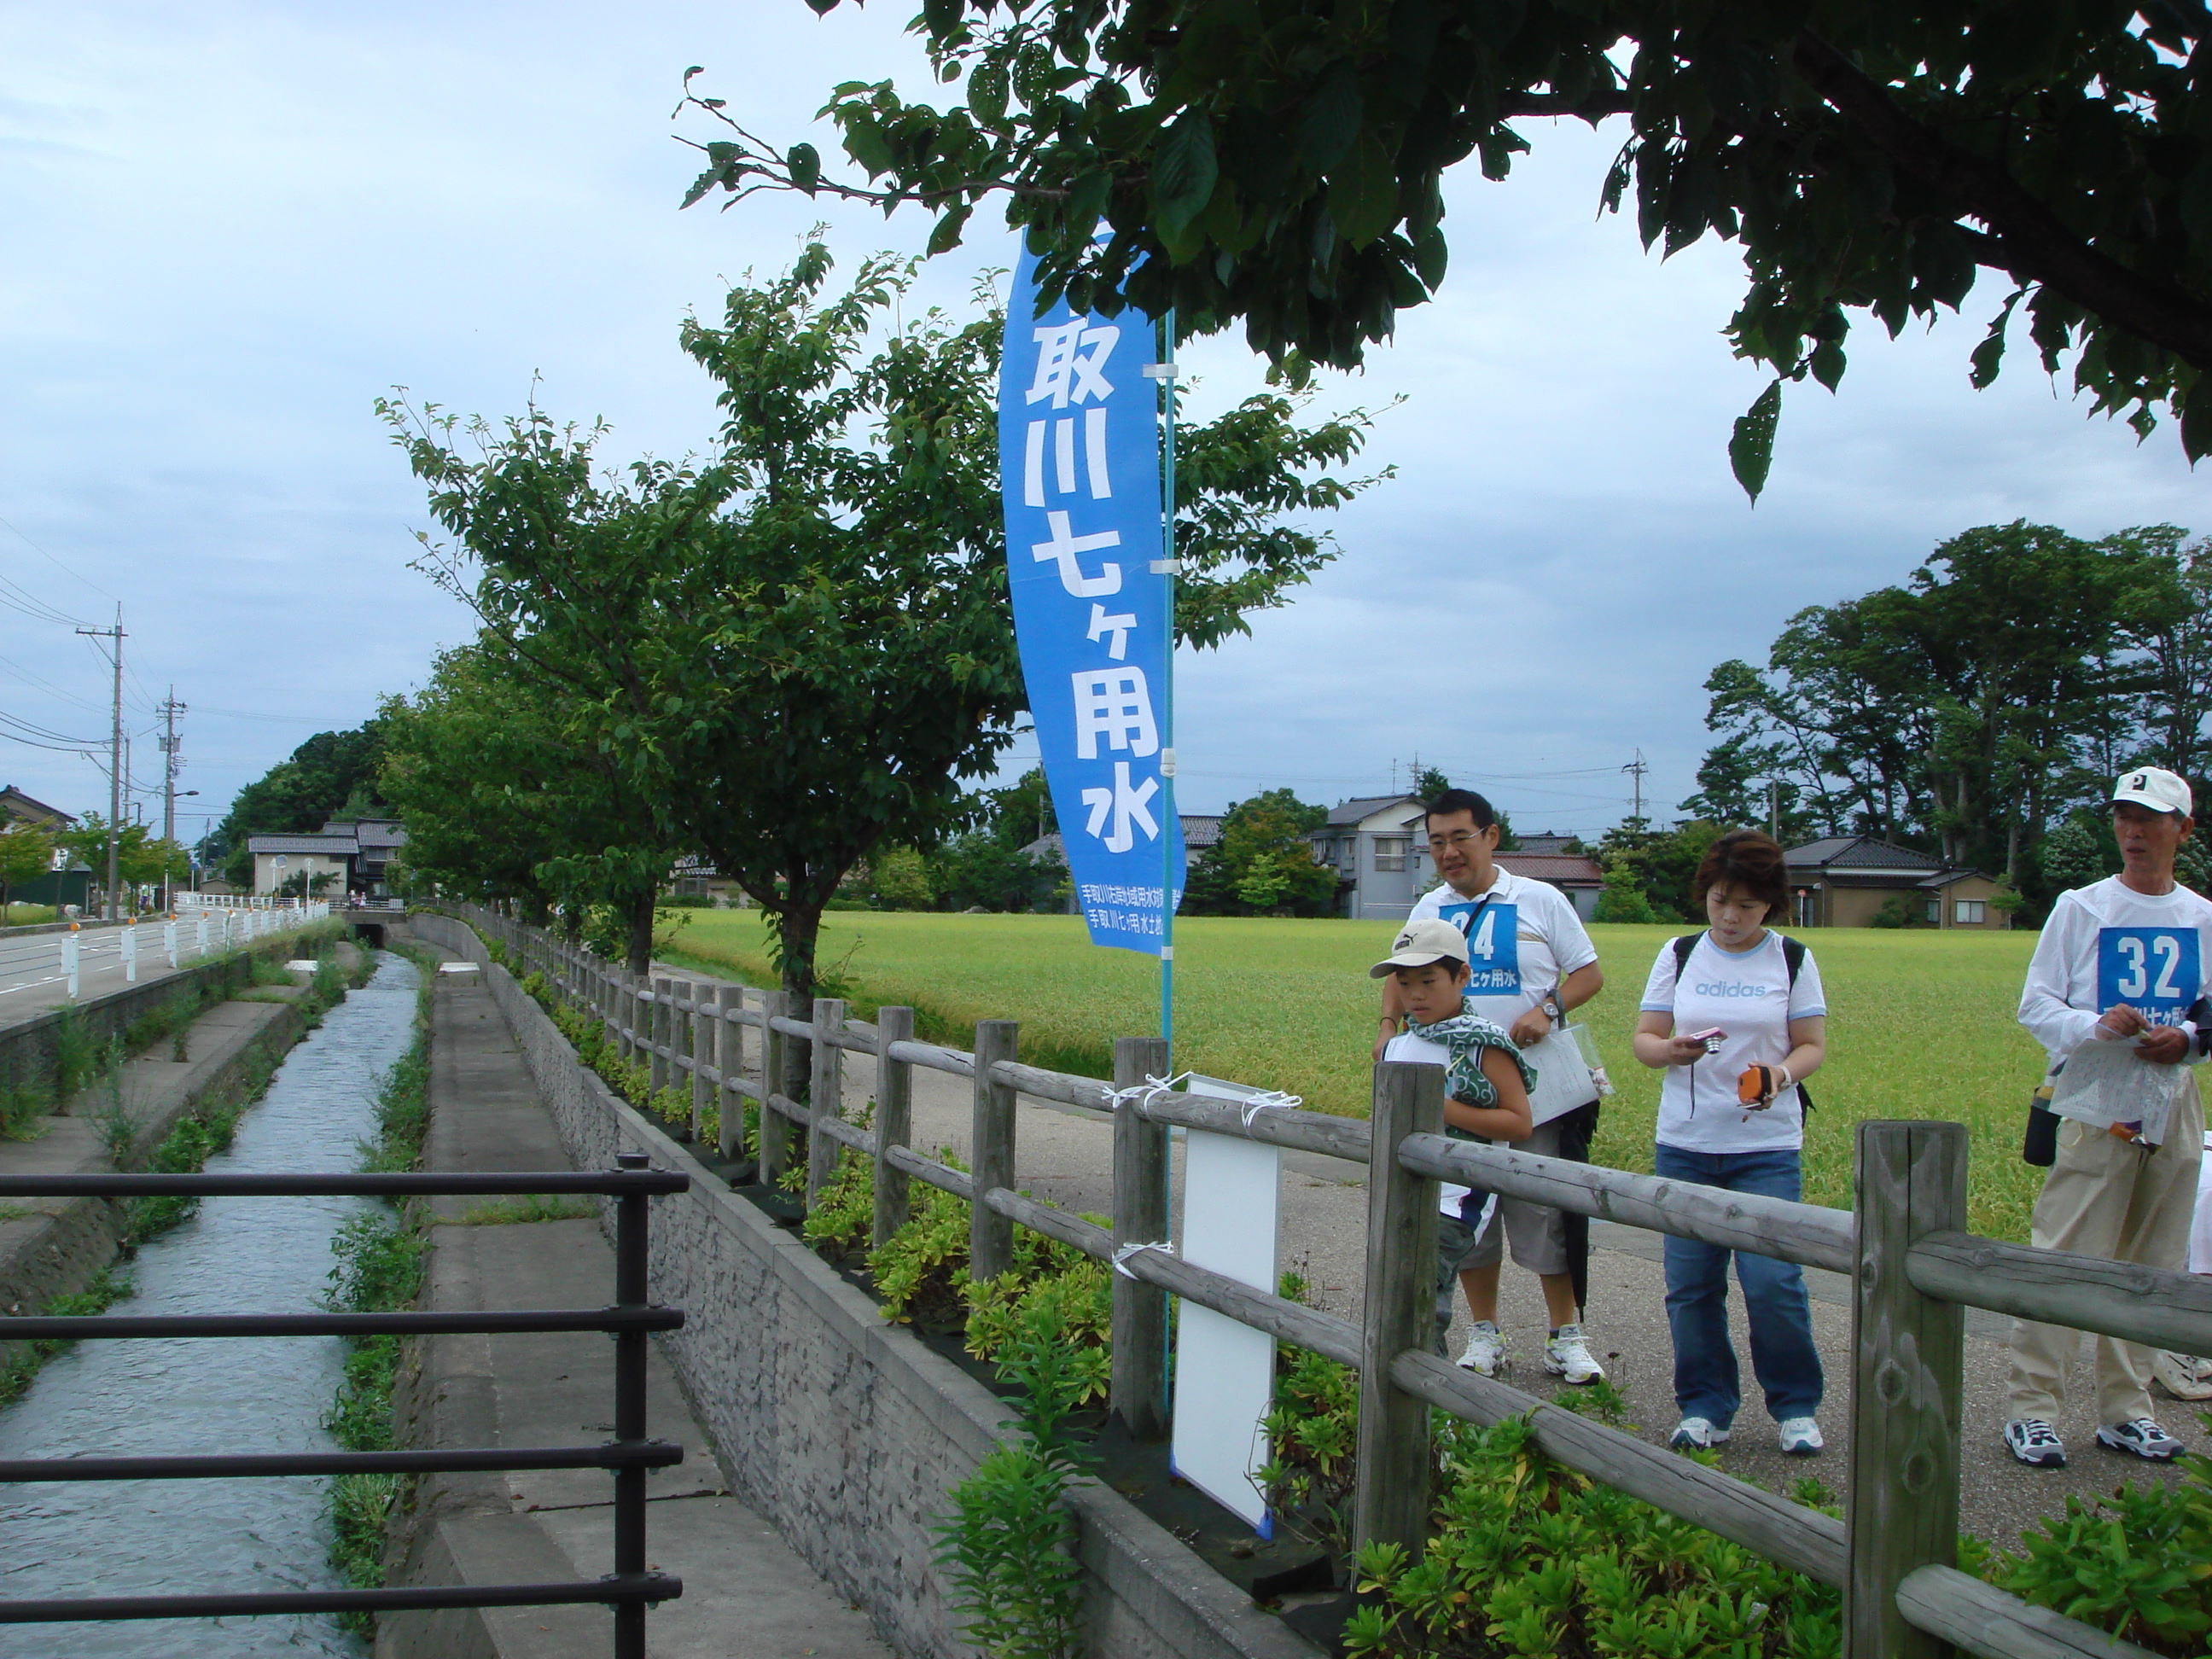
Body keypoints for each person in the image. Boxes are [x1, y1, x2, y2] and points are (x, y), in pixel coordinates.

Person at [2005, 766, 2212, 1467]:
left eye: (2151, 819)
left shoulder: (2202, 916)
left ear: (2183, 829)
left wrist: (2186, 1040)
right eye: (2125, 817)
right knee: (2066, 1250)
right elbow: (2036, 1005)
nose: (2134, 832)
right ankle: (2032, 1408)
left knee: (2156, 1258)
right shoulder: (2082, 907)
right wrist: (2094, 1026)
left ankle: (2128, 1410)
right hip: (2097, 1095)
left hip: (2174, 1096)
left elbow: (2211, 1015)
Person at [1376, 788, 1606, 1383]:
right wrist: (1386, 1029)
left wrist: (1548, 1011)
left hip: (1532, 1090)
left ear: (1491, 836)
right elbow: (1399, 976)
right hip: (1453, 1093)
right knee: (1465, 1218)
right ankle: (1485, 1332)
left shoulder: (1540, 898)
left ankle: (1565, 1334)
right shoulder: (1428, 907)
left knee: (1544, 1210)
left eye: (1460, 838)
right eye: (1436, 842)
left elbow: (1589, 972)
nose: (1448, 852)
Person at [1633, 830, 1827, 1456]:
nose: (1730, 916)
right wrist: (1670, 1051)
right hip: (1687, 1141)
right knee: (1691, 1283)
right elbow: (1645, 1039)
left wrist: (1781, 1074)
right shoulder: (1681, 952)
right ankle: (1705, 1406)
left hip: (1767, 1146)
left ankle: (1795, 1406)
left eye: (1745, 905)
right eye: (1720, 901)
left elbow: (1811, 1045)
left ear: (1771, 903)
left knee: (1773, 1282)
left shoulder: (1791, 958)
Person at [1371, 919, 1534, 1353]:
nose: (1416, 995)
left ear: (1462, 976)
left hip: (1457, 1200)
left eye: (1429, 981)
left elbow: (1519, 1121)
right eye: (1405, 984)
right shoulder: (1400, 1044)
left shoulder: (1484, 1043)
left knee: (1420, 1299)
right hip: (1401, 1190)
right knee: (1394, 1294)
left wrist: (1435, 1106)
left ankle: (1429, 1406)